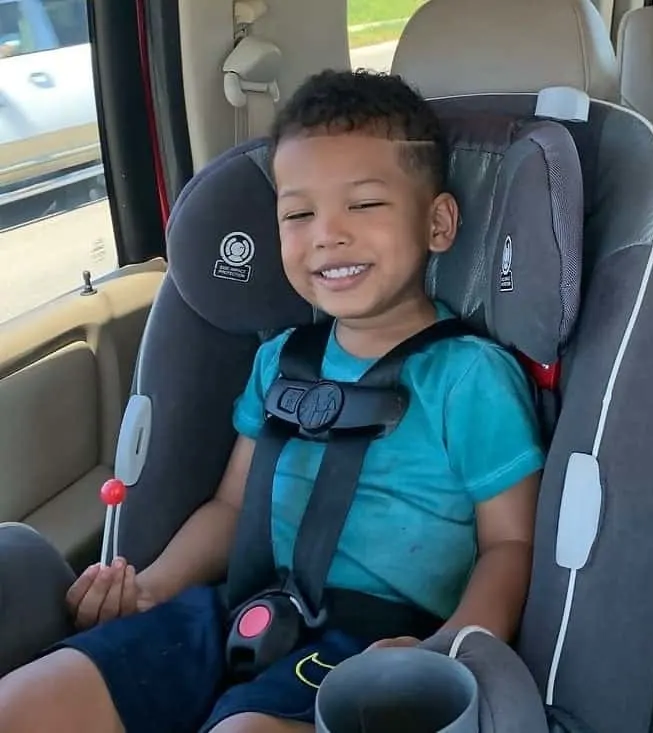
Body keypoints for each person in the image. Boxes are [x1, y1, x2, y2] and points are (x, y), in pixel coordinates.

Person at [0, 69, 544, 733]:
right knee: (26, 701)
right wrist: (153, 585)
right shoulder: (278, 360)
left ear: (436, 222)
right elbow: (233, 505)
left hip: (372, 640)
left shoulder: (468, 375)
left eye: (364, 205)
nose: (326, 234)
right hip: (233, 608)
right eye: (298, 214)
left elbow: (510, 543)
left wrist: (451, 649)